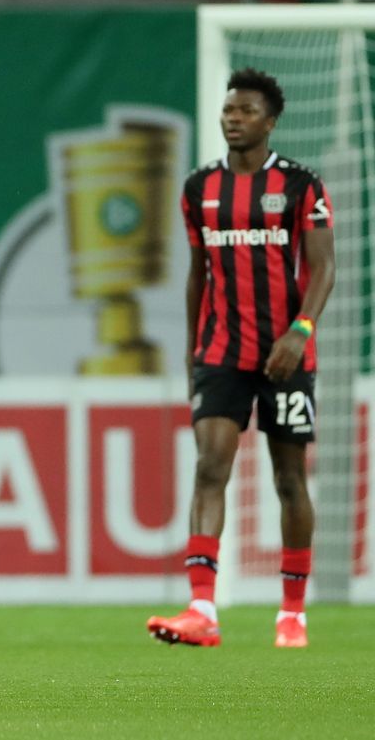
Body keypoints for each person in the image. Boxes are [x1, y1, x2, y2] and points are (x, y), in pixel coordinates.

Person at [147, 69, 335, 650]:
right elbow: (196, 275)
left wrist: (300, 331)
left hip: (284, 354)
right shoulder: (198, 188)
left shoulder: (302, 185)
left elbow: (323, 267)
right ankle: (203, 608)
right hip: (221, 351)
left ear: (270, 120)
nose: (233, 118)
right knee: (210, 467)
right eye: (229, 110)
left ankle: (292, 611)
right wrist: (191, 350)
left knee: (287, 480)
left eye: (246, 111)